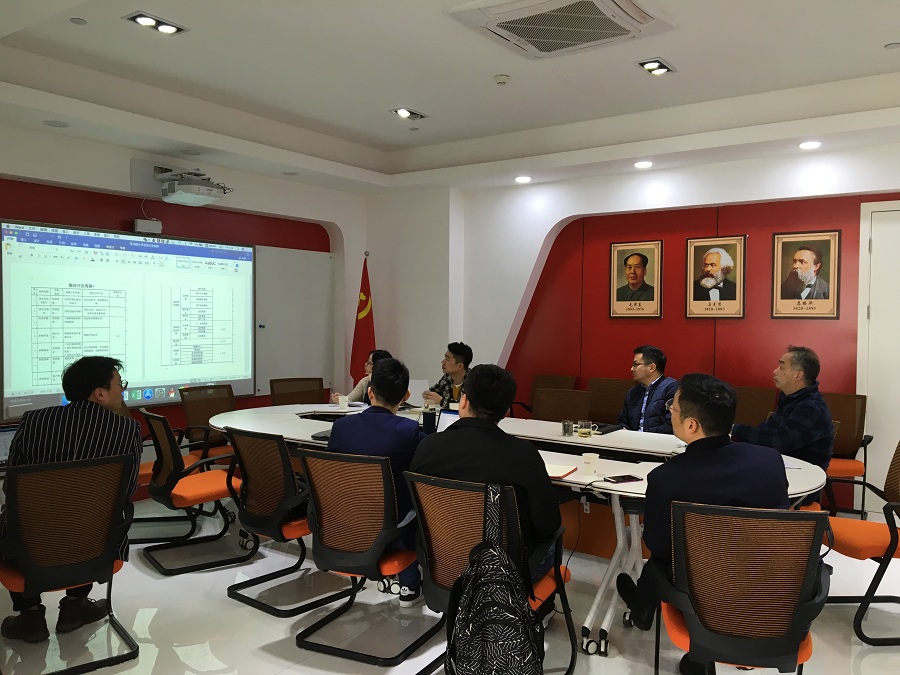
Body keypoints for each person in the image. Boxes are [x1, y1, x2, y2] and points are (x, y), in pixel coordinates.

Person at [616, 374, 790, 675]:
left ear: (692, 425)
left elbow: (658, 545)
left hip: (699, 592)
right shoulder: (770, 460)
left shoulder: (666, 478)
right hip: (768, 588)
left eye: (672, 407)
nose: (669, 411)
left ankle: (645, 608)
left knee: (661, 559)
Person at [0, 356, 142, 644]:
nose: (123, 391)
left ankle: (30, 616)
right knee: (97, 517)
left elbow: (12, 486)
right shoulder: (127, 429)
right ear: (100, 393)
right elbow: (126, 491)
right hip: (97, 544)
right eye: (120, 384)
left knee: (10, 518)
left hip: (29, 547)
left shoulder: (34, 421)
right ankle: (75, 606)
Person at [411, 364, 561, 582]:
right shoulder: (523, 454)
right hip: (503, 578)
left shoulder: (427, 447)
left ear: (464, 401)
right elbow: (548, 524)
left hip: (440, 566)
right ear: (506, 411)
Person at [327, 358, 426, 606]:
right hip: (389, 522)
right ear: (406, 396)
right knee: (418, 505)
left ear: (370, 392)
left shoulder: (341, 427)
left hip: (343, 519)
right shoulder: (409, 432)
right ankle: (409, 585)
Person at [731, 345, 833, 473]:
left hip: (803, 475)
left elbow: (779, 441)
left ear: (798, 375)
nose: (775, 371)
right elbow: (767, 430)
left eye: (782, 367)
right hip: (781, 466)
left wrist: (734, 429)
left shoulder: (812, 407)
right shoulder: (790, 398)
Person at [617, 345, 679, 434]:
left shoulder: (671, 388)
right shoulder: (633, 392)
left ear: (651, 368)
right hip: (631, 440)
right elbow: (622, 421)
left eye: (636, 364)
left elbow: (673, 424)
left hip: (658, 440)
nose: (631, 369)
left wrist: (642, 436)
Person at [422, 341, 472, 409]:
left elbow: (467, 408)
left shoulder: (473, 382)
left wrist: (441, 401)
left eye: (447, 359)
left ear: (460, 366)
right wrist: (427, 395)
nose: (442, 362)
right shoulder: (447, 377)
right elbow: (433, 391)